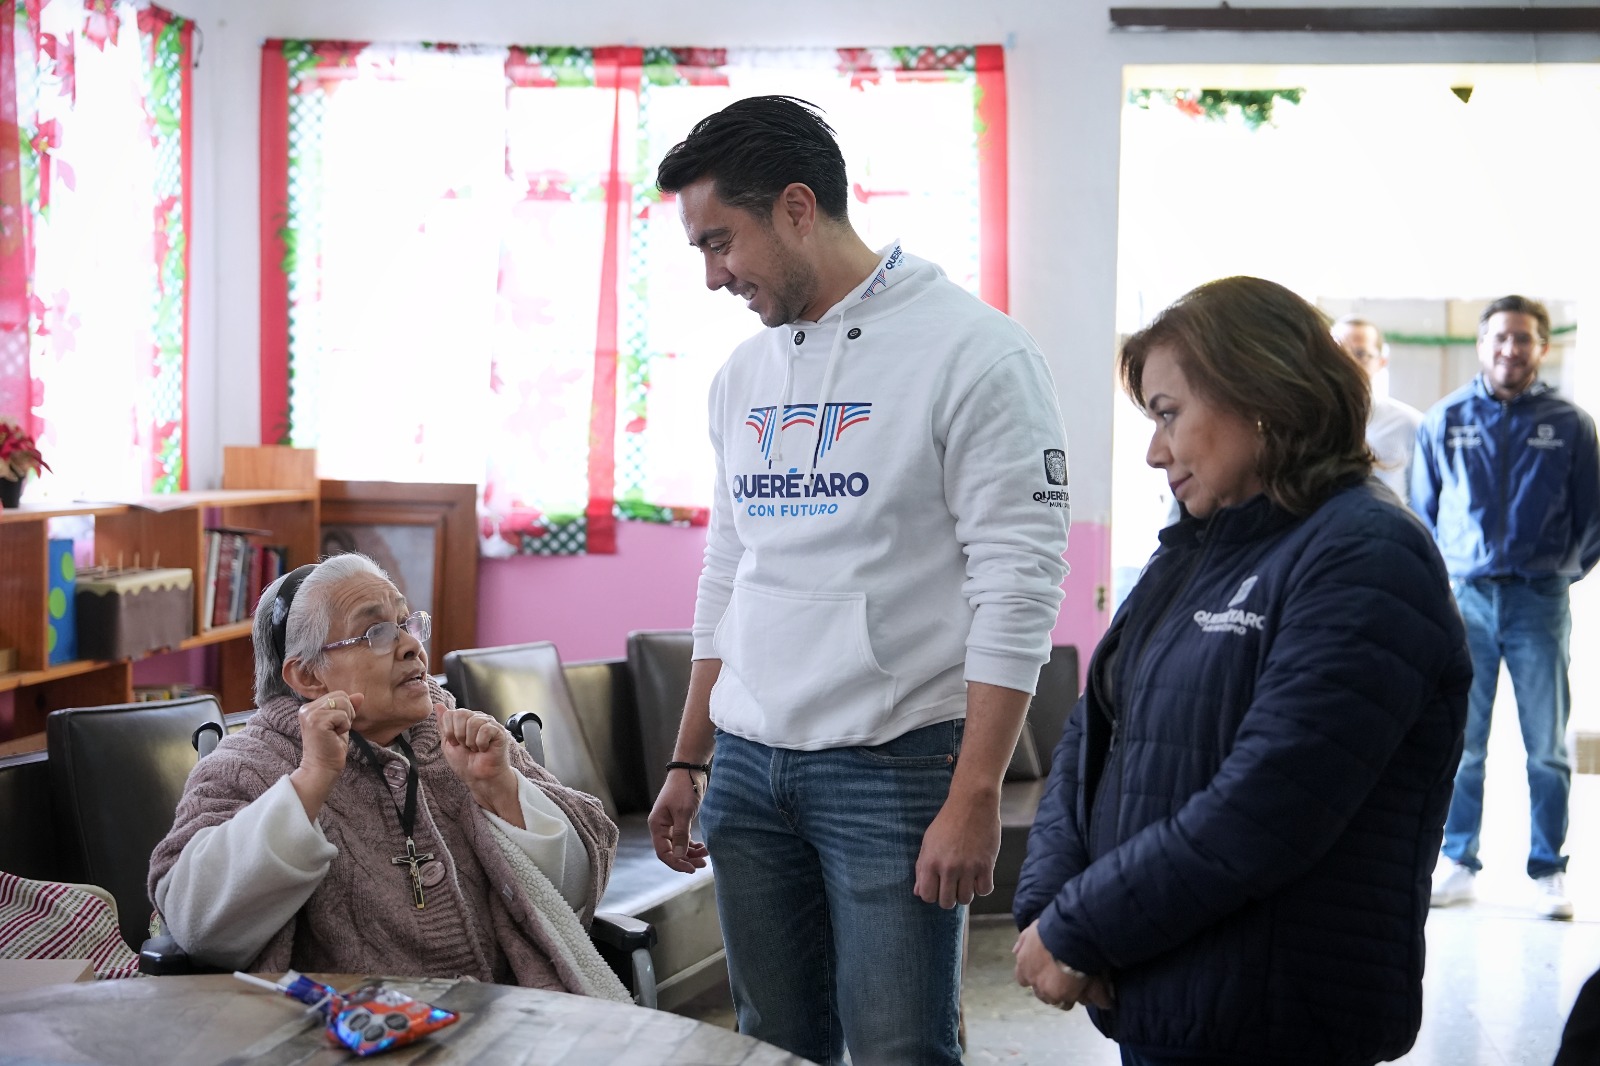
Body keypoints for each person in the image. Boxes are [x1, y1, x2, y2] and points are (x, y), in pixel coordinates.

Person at [646, 95, 1070, 1065]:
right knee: (771, 1045)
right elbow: (730, 572)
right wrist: (688, 757)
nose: (714, 278)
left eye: (722, 243)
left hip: (893, 767)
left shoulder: (977, 352)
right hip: (748, 770)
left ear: (798, 207)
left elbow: (1019, 583)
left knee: (899, 1048)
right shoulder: (742, 377)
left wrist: (975, 793)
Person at [1013, 276, 1470, 1066]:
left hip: (1274, 1018)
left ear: (1259, 393)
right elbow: (1094, 731)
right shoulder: (1198, 548)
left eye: (1167, 414)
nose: (1155, 450)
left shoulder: (1368, 553)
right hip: (1163, 993)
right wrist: (1047, 903)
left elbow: (1268, 805)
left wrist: (1081, 927)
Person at [148, 553, 627, 998]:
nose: (411, 647)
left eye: (406, 623)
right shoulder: (246, 764)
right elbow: (195, 926)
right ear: (310, 677)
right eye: (376, 632)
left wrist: (502, 792)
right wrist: (310, 783)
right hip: (348, 1038)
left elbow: (580, 892)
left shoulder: (457, 733)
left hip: (511, 1022)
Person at [1412, 294, 1600, 920]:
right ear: (1482, 344)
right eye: (1500, 338)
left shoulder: (1570, 424)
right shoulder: (1445, 419)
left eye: (1523, 339)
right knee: (1462, 742)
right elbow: (1424, 511)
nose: (1510, 349)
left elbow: (1592, 515)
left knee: (1546, 745)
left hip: (1538, 602)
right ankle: (1459, 861)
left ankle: (1549, 870)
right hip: (1464, 604)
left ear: (1541, 347)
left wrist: (1557, 574)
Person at [1331, 314, 1422, 501]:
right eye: (1338, 352)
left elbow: (1424, 501)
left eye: (1360, 354)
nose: (1347, 363)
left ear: (1381, 362)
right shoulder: (1306, 422)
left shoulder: (1410, 424)